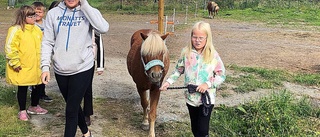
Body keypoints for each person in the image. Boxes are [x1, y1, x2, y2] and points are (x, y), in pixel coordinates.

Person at [40, 0, 109, 136]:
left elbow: (103, 28)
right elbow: (47, 41)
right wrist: (45, 67)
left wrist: (85, 6)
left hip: (83, 67)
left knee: (70, 110)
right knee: (74, 105)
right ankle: (86, 132)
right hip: (60, 68)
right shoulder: (53, 13)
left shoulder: (90, 11)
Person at [160, 21, 226, 137]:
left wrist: (207, 84)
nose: (197, 40)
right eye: (194, 37)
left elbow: (221, 75)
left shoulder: (213, 55)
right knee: (195, 129)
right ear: (191, 37)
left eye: (201, 38)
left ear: (207, 38)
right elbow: (178, 70)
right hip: (191, 98)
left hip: (206, 99)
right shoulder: (186, 53)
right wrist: (168, 82)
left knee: (202, 131)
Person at [4, 5, 48, 121]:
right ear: (23, 16)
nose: (34, 17)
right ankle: (22, 110)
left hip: (36, 65)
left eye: (35, 15)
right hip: (22, 66)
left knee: (38, 85)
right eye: (31, 15)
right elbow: (10, 47)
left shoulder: (37, 29)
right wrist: (15, 62)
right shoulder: (15, 30)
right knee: (23, 87)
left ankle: (34, 105)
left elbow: (43, 45)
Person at [30, 1, 53, 103]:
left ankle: (42, 93)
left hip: (44, 52)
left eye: (40, 12)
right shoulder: (31, 24)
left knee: (44, 71)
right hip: (33, 53)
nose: (37, 14)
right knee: (34, 73)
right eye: (35, 12)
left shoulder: (46, 23)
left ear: (43, 13)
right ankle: (33, 91)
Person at [84, 30, 105, 126]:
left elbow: (100, 46)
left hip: (89, 63)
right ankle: (73, 112)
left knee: (87, 89)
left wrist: (100, 66)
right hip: (74, 62)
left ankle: (87, 114)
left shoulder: (94, 29)